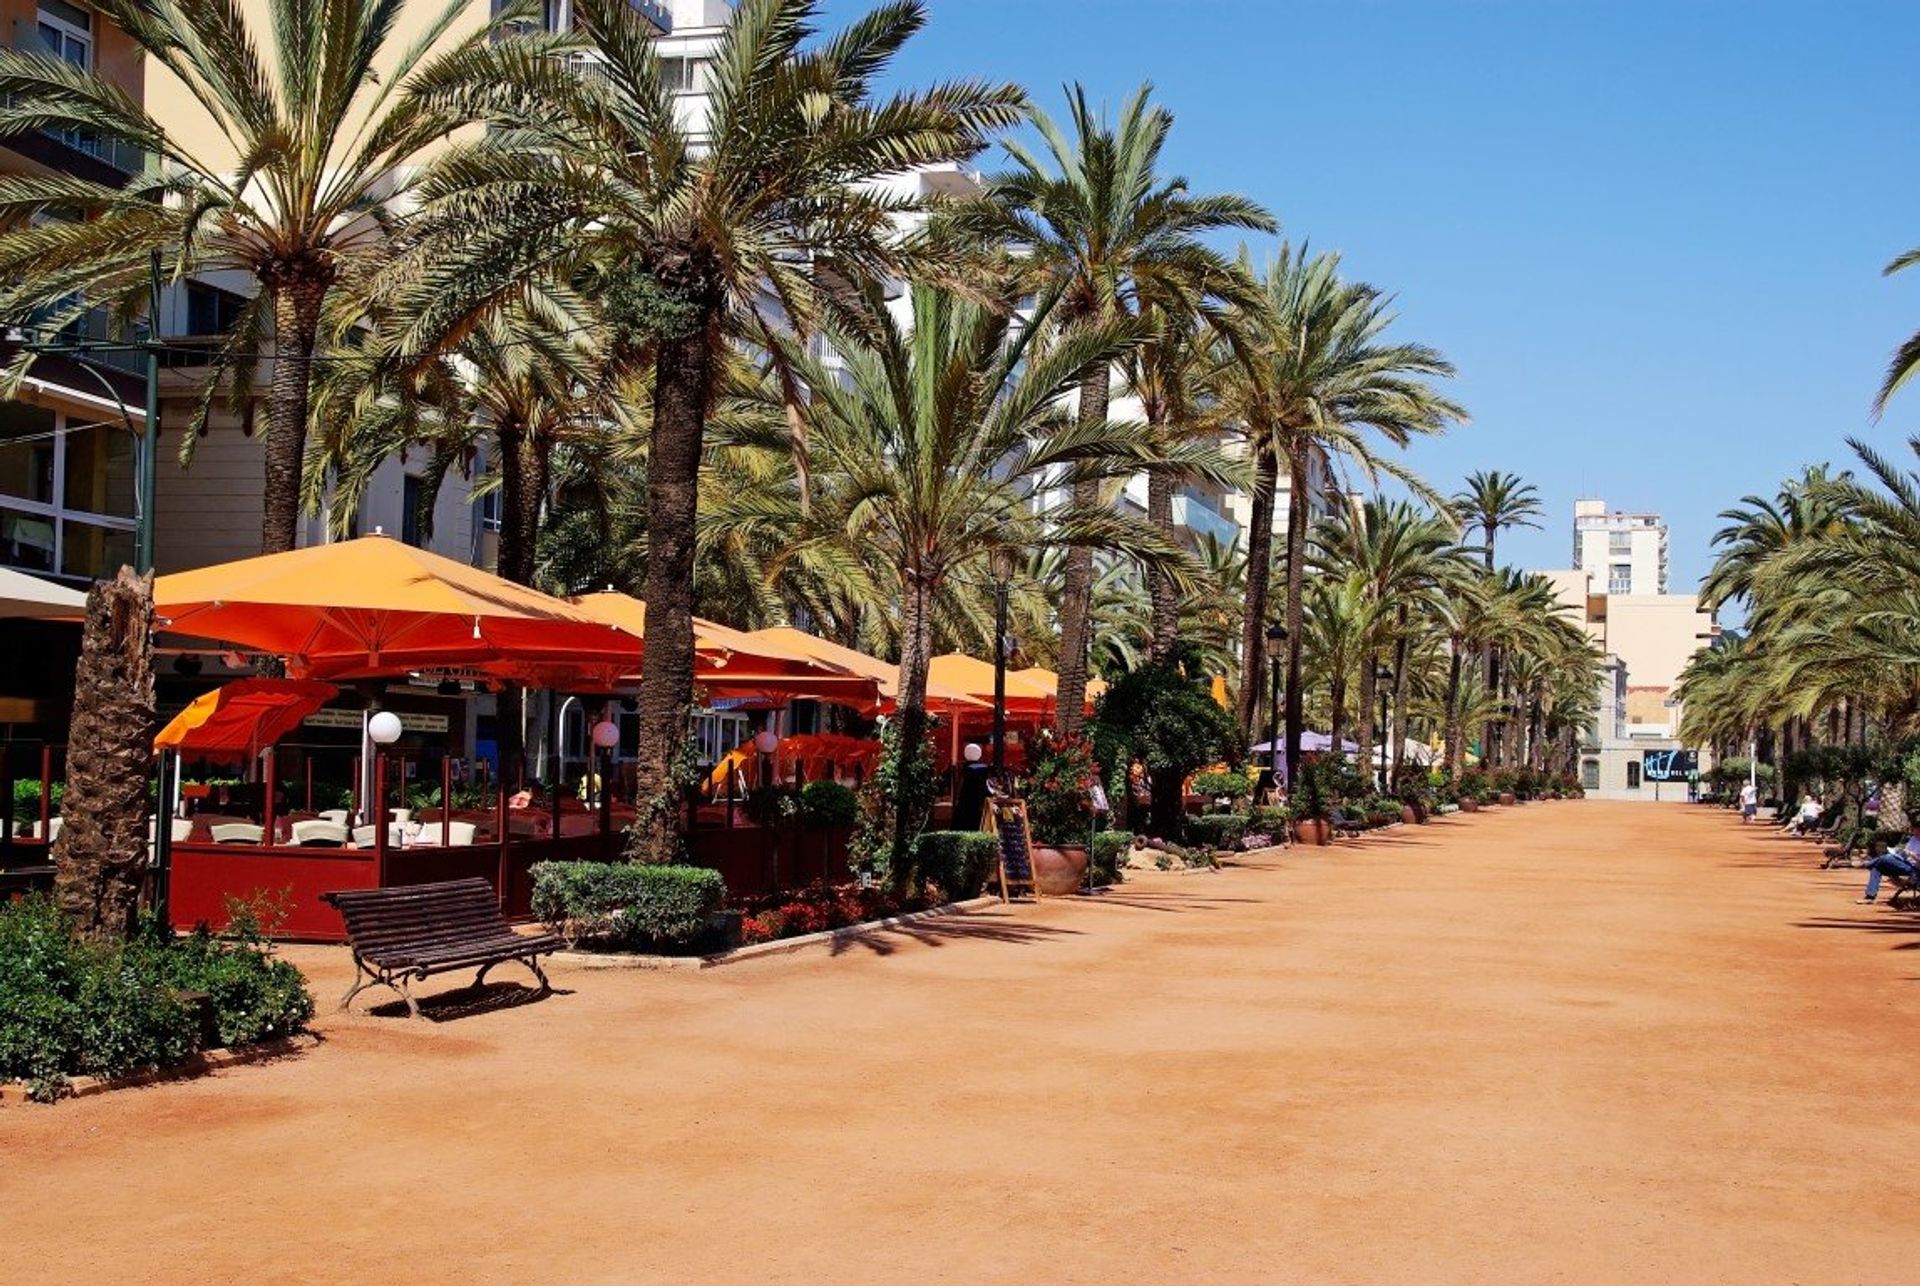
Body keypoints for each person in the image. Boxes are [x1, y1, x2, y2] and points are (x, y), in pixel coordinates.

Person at [1858, 826, 1920, 904]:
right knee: (1877, 867)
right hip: (1904, 863)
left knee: (1886, 858)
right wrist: (1901, 852)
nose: (1914, 832)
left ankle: (1867, 864)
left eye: (1916, 830)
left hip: (1914, 869)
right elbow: (1906, 852)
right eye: (1914, 829)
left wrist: (1912, 855)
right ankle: (1870, 896)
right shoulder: (1913, 839)